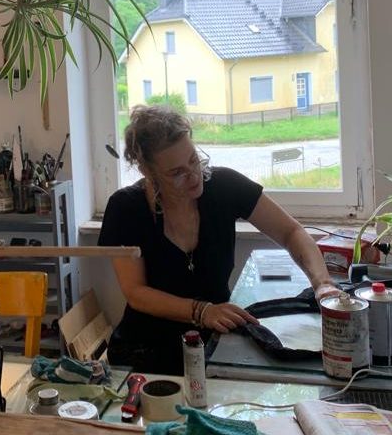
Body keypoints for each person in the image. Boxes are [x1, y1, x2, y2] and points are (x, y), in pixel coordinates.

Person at [98, 105, 340, 374]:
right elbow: (136, 293)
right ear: (148, 172)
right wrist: (201, 311)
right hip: (145, 352)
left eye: (194, 159)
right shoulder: (126, 208)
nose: (193, 175)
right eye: (176, 173)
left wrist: (323, 285)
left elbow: (291, 232)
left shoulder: (224, 186)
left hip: (214, 344)